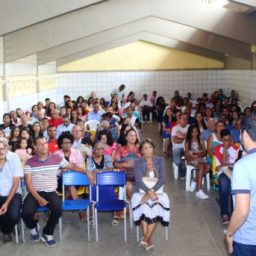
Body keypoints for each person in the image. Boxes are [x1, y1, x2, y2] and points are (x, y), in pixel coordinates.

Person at [21, 136, 93, 247]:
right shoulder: (29, 162)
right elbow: (28, 182)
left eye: (45, 143)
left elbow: (72, 166)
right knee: (26, 213)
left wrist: (86, 172)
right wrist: (38, 198)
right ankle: (33, 227)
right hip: (34, 193)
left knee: (58, 210)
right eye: (40, 144)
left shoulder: (56, 158)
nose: (44, 146)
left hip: (50, 192)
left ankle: (47, 232)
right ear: (35, 147)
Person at [131, 139, 170, 252]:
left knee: (156, 208)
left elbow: (162, 179)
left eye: (150, 147)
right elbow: (138, 181)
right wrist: (149, 192)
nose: (148, 150)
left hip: (157, 192)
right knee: (143, 209)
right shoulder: (137, 162)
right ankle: (148, 240)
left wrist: (152, 192)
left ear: (153, 149)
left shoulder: (160, 160)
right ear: (141, 151)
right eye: (145, 148)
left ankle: (146, 239)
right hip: (141, 192)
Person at [226, 115, 256, 255]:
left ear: (244, 134)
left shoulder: (243, 166)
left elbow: (242, 211)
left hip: (248, 239)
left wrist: (230, 234)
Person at [0, 137, 23, 243]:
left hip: (13, 194)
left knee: (13, 216)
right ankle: (8, 226)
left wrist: (6, 203)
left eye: (3, 147)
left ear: (7, 147)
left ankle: (7, 230)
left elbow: (16, 182)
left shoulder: (14, 157)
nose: (1, 150)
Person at [214, 129, 239, 224]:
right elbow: (221, 165)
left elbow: (237, 163)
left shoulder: (236, 148)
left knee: (236, 186)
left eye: (228, 139)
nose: (227, 142)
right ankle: (225, 213)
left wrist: (226, 165)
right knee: (224, 185)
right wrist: (224, 149)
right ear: (221, 139)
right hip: (222, 173)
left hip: (235, 171)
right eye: (224, 140)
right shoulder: (217, 149)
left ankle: (234, 213)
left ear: (231, 138)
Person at [114, 127, 141, 199]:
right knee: (129, 187)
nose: (133, 137)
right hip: (126, 176)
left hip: (139, 176)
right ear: (126, 137)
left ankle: (136, 206)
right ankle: (136, 206)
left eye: (134, 135)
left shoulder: (140, 149)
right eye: (131, 135)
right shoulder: (121, 149)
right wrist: (124, 164)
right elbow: (116, 164)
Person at [185, 125, 211, 199]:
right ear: (190, 133)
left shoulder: (201, 140)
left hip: (200, 159)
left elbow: (204, 152)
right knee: (201, 166)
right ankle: (198, 190)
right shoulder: (188, 142)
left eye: (196, 131)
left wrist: (200, 154)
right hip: (191, 160)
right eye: (193, 132)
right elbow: (186, 155)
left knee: (208, 166)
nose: (195, 133)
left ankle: (194, 180)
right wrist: (194, 157)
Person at [171, 113, 190, 179]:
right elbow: (175, 141)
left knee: (190, 158)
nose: (185, 120)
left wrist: (181, 136)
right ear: (179, 119)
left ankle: (184, 171)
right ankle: (183, 172)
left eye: (186, 118)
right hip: (178, 148)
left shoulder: (190, 127)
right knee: (179, 160)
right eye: (183, 118)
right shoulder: (175, 128)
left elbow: (192, 139)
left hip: (188, 147)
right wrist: (186, 137)